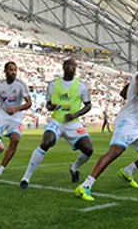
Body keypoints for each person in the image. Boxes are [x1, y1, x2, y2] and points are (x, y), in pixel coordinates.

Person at [74, 58, 138, 201]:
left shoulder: (136, 78)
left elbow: (124, 93)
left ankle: (128, 171)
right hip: (127, 122)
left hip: (135, 125)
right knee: (115, 152)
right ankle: (85, 186)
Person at [19, 58, 93, 189]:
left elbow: (88, 105)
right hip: (57, 121)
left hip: (73, 123)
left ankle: (74, 168)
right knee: (46, 142)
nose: (72, 68)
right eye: (70, 65)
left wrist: (75, 115)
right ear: (64, 67)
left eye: (74, 66)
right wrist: (51, 106)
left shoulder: (81, 86)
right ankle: (26, 178)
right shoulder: (53, 85)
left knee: (88, 150)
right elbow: (48, 105)